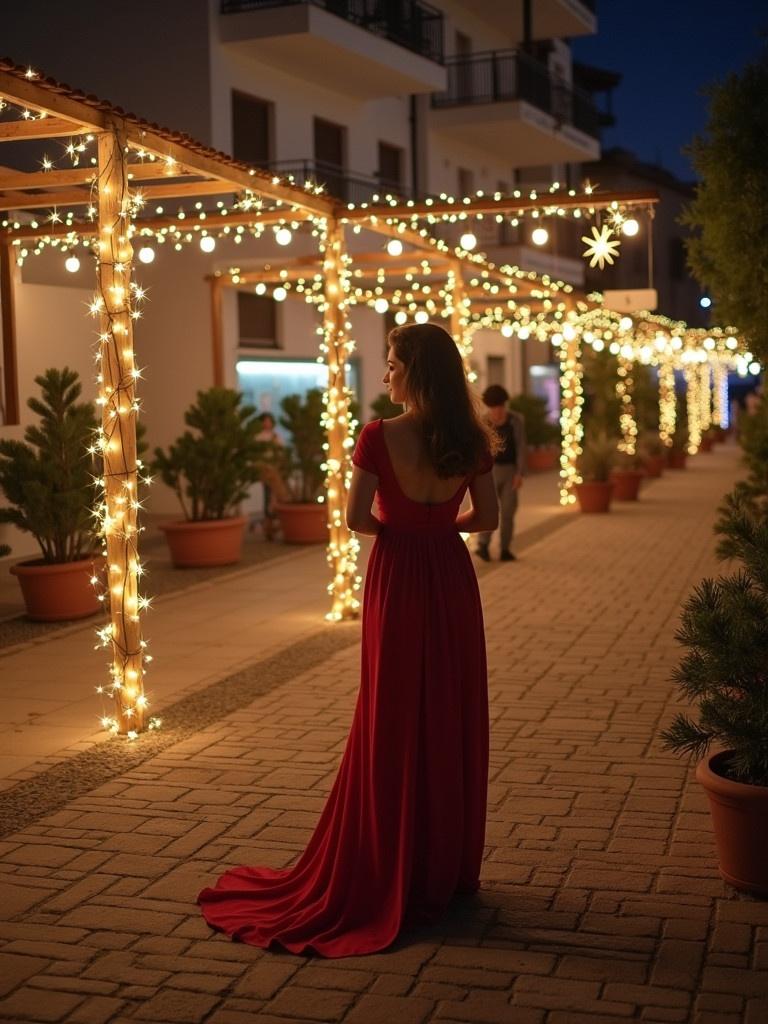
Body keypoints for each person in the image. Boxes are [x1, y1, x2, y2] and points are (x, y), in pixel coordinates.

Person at [198, 322, 499, 957]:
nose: (385, 374)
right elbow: (489, 518)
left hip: (396, 577)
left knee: (390, 715)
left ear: (413, 372)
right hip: (449, 577)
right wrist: (440, 525)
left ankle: (388, 861)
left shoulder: (377, 436)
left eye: (392, 363)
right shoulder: (469, 438)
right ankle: (441, 866)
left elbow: (357, 518)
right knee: (448, 711)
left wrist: (403, 527)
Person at [476, 384, 526, 563]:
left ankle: (505, 548)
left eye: (500, 407)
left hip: (510, 470)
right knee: (488, 510)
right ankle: (483, 545)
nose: (497, 411)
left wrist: (520, 473)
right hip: (489, 471)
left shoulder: (515, 421)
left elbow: (520, 447)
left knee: (508, 511)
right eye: (493, 407)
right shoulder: (483, 422)